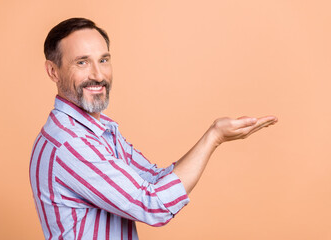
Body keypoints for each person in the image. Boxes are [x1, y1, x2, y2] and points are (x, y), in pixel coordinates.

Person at [29, 17, 278, 240]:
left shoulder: (96, 130)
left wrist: (214, 135)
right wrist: (214, 137)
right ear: (53, 71)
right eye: (82, 63)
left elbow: (155, 181)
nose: (98, 74)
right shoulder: (71, 144)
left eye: (103, 60)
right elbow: (153, 204)